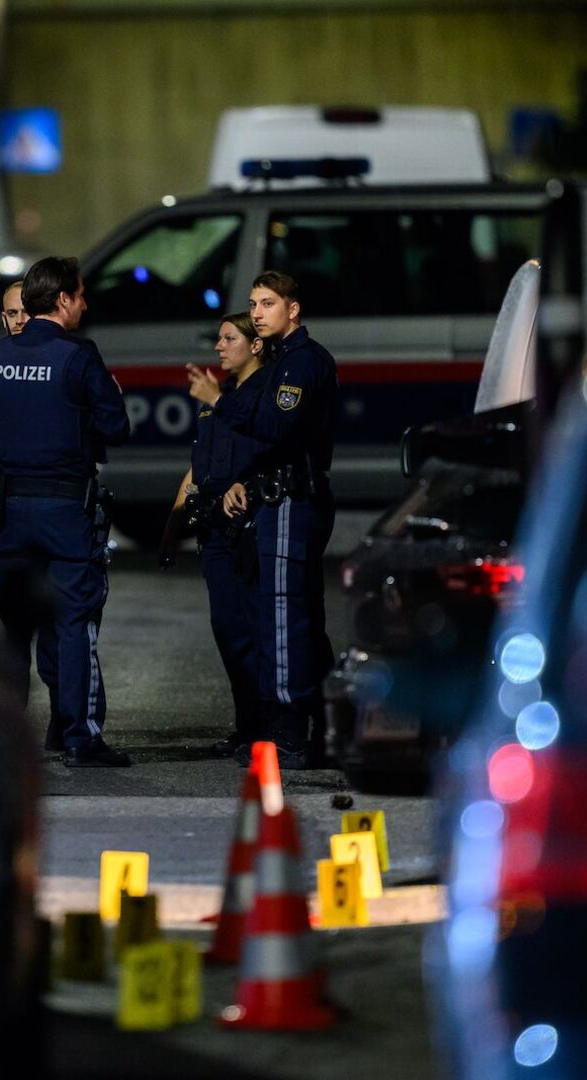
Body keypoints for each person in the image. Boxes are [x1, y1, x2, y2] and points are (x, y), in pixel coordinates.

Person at [0, 256, 132, 767]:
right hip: (65, 511)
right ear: (62, 300)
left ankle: (4, 740)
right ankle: (79, 738)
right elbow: (116, 427)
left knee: (6, 628)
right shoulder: (79, 356)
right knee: (74, 622)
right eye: (80, 295)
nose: (85, 305)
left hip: (6, 511)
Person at [199, 271, 338, 769]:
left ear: (292, 309)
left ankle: (288, 735)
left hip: (291, 500)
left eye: (267, 303)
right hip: (279, 495)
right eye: (253, 304)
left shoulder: (300, 361)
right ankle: (324, 726)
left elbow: (277, 426)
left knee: (282, 617)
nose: (257, 313)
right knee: (299, 617)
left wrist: (220, 402)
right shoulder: (281, 359)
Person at [0, 282, 74, 753]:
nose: (19, 321)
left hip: (45, 502)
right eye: (10, 314)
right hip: (0, 504)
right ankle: (12, 729)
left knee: (60, 623)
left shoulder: (63, 355)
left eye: (24, 311)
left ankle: (65, 728)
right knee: (6, 628)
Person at [164, 313, 270, 758]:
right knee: (227, 629)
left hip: (248, 529)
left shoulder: (263, 397)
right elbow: (197, 470)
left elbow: (269, 453)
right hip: (213, 532)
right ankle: (247, 728)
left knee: (253, 630)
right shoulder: (218, 398)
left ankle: (267, 730)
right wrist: (170, 529)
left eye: (229, 338)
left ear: (255, 345)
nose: (219, 346)